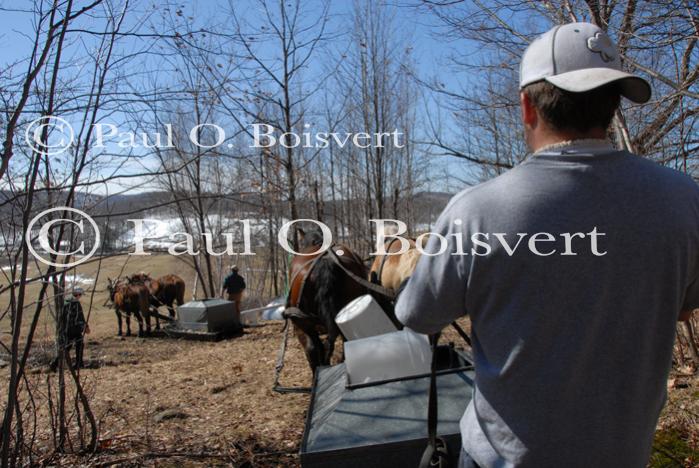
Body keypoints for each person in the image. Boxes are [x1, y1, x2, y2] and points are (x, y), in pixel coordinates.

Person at [396, 22, 699, 468]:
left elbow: (416, 316)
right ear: (614, 104)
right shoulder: (685, 199)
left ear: (526, 107)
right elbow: (683, 306)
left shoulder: (477, 211)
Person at [52, 287, 90, 370]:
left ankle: (55, 364)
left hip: (66, 329)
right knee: (79, 345)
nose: (80, 297)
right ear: (78, 294)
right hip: (75, 329)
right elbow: (80, 317)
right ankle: (79, 364)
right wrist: (85, 327)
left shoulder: (65, 302)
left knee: (66, 347)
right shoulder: (76, 303)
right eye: (80, 295)